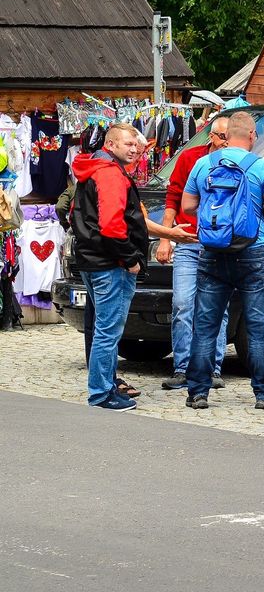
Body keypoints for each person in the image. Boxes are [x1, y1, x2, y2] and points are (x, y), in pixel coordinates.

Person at [180, 110, 264, 410]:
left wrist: (215, 222)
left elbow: (188, 206)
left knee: (205, 325)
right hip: (253, 252)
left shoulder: (203, 164)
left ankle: (198, 392)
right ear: (252, 135)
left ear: (226, 136)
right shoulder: (260, 166)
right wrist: (252, 217)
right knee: (257, 325)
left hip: (212, 253)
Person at [70, 123, 148, 412]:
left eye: (135, 144)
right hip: (110, 263)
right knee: (108, 330)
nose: (134, 148)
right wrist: (130, 259)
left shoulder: (92, 169)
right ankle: (102, 392)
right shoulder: (110, 174)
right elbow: (112, 225)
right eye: (127, 144)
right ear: (111, 144)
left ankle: (105, 386)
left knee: (103, 328)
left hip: (92, 259)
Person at [158, 116, 232, 391]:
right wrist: (166, 238)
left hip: (219, 243)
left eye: (230, 136)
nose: (227, 142)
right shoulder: (190, 158)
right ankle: (182, 367)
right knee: (182, 303)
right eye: (223, 136)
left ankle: (213, 367)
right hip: (188, 240)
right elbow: (172, 198)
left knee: (218, 308)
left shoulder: (238, 161)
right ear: (211, 136)